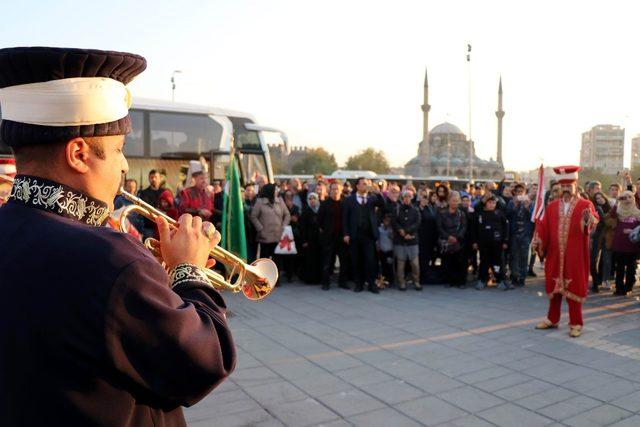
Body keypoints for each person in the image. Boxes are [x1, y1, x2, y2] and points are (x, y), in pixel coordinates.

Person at [0, 46, 235, 426]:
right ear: (79, 154)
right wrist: (188, 271)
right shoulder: (111, 259)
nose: (125, 165)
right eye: (119, 149)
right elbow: (205, 361)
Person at [533, 166, 598, 338]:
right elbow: (544, 227)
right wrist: (539, 240)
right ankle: (552, 319)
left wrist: (588, 220)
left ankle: (576, 323)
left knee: (574, 287)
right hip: (555, 253)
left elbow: (592, 222)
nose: (566, 189)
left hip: (575, 254)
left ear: (575, 185)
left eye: (569, 185)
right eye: (563, 186)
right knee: (555, 287)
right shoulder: (553, 206)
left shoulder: (586, 204)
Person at [343, 177, 385, 293]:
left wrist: (378, 192)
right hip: (354, 234)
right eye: (363, 184)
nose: (365, 186)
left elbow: (383, 205)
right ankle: (359, 283)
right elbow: (345, 218)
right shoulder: (349, 200)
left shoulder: (372, 198)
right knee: (356, 260)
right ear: (357, 186)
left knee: (370, 260)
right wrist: (346, 233)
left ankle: (371, 284)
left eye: (367, 184)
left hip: (369, 234)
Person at [473, 195, 509, 290]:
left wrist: (505, 241)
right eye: (490, 202)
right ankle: (482, 280)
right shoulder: (479, 214)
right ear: (485, 203)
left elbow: (506, 228)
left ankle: (499, 280)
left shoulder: (500, 213)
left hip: (497, 243)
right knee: (484, 262)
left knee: (497, 262)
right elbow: (475, 229)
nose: (492, 205)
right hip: (483, 244)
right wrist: (475, 242)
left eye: (494, 203)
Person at [608, 190, 640, 296]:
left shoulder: (638, 212)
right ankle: (619, 289)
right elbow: (612, 215)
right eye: (624, 197)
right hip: (620, 243)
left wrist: (632, 231)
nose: (627, 199)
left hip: (633, 244)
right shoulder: (618, 210)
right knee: (620, 267)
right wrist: (617, 202)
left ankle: (628, 287)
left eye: (629, 197)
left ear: (633, 198)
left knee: (631, 267)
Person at [318, 182, 348, 290]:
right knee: (327, 261)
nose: (335, 191)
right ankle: (325, 283)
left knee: (343, 261)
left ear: (341, 191)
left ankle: (342, 282)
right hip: (329, 238)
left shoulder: (344, 203)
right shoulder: (325, 204)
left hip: (342, 237)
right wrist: (325, 232)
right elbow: (319, 220)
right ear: (330, 190)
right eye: (333, 189)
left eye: (337, 189)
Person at [250, 183, 290, 263]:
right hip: (264, 236)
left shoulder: (280, 201)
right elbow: (253, 217)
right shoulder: (260, 202)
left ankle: (277, 274)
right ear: (270, 191)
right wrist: (260, 229)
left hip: (278, 235)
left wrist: (284, 226)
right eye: (275, 190)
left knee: (277, 260)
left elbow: (287, 214)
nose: (277, 191)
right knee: (264, 260)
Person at [437, 191, 468, 288]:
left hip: (458, 242)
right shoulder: (442, 213)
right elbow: (439, 227)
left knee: (460, 262)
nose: (455, 202)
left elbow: (464, 227)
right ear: (448, 201)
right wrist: (448, 237)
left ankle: (460, 282)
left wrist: (457, 237)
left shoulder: (461, 213)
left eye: (457, 201)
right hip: (446, 242)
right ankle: (449, 281)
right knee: (447, 262)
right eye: (453, 200)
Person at [392, 190, 421, 290]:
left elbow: (417, 223)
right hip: (400, 240)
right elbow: (394, 222)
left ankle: (416, 281)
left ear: (412, 197)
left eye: (409, 196)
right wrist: (400, 230)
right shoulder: (397, 209)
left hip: (412, 239)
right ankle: (401, 282)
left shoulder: (416, 210)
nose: (407, 198)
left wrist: (408, 232)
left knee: (415, 264)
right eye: (405, 196)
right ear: (402, 197)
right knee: (401, 263)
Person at [507, 183, 534, 287]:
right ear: (515, 193)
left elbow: (533, 218)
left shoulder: (530, 203)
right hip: (514, 234)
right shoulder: (511, 202)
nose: (519, 194)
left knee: (524, 257)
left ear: (524, 193)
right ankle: (514, 277)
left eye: (521, 192)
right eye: (517, 192)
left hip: (525, 234)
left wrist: (527, 208)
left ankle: (522, 278)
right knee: (514, 256)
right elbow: (507, 214)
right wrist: (514, 205)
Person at [590, 191, 612, 292]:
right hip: (597, 237)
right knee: (594, 259)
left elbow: (609, 223)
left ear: (604, 197)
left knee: (606, 260)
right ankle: (597, 281)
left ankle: (605, 279)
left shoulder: (610, 207)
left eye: (601, 197)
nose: (600, 200)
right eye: (597, 199)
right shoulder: (595, 209)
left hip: (608, 237)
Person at [299, 192, 323, 284]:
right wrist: (304, 240)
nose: (312, 200)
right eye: (310, 199)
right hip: (309, 240)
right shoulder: (306, 211)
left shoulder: (321, 209)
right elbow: (302, 227)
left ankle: (319, 278)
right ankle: (309, 279)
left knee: (319, 259)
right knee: (310, 260)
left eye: (314, 198)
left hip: (319, 240)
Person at [138, 169, 165, 240]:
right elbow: (144, 207)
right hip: (149, 227)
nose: (153, 179)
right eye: (151, 177)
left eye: (155, 177)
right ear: (149, 179)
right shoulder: (144, 193)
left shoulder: (165, 192)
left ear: (160, 179)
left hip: (163, 226)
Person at [417, 191, 438, 283]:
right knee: (422, 258)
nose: (424, 199)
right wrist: (420, 208)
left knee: (429, 257)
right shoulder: (416, 208)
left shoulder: (430, 207)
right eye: (423, 197)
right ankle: (421, 277)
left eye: (426, 197)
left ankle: (426, 276)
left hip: (431, 237)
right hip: (421, 238)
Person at [377, 214, 395, 288]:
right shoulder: (379, 229)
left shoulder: (391, 229)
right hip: (382, 251)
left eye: (388, 221)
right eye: (385, 221)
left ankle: (391, 281)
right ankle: (383, 281)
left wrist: (391, 235)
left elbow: (393, 238)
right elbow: (378, 239)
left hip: (389, 251)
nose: (386, 222)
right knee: (383, 266)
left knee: (389, 266)